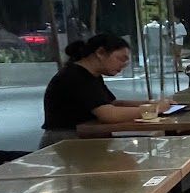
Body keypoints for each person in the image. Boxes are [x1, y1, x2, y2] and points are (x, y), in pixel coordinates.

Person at [41, 34, 170, 148]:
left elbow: (113, 103)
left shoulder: (91, 75)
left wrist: (151, 103)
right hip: (66, 143)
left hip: (84, 138)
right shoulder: (75, 76)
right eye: (121, 59)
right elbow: (109, 114)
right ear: (100, 53)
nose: (123, 65)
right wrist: (155, 108)